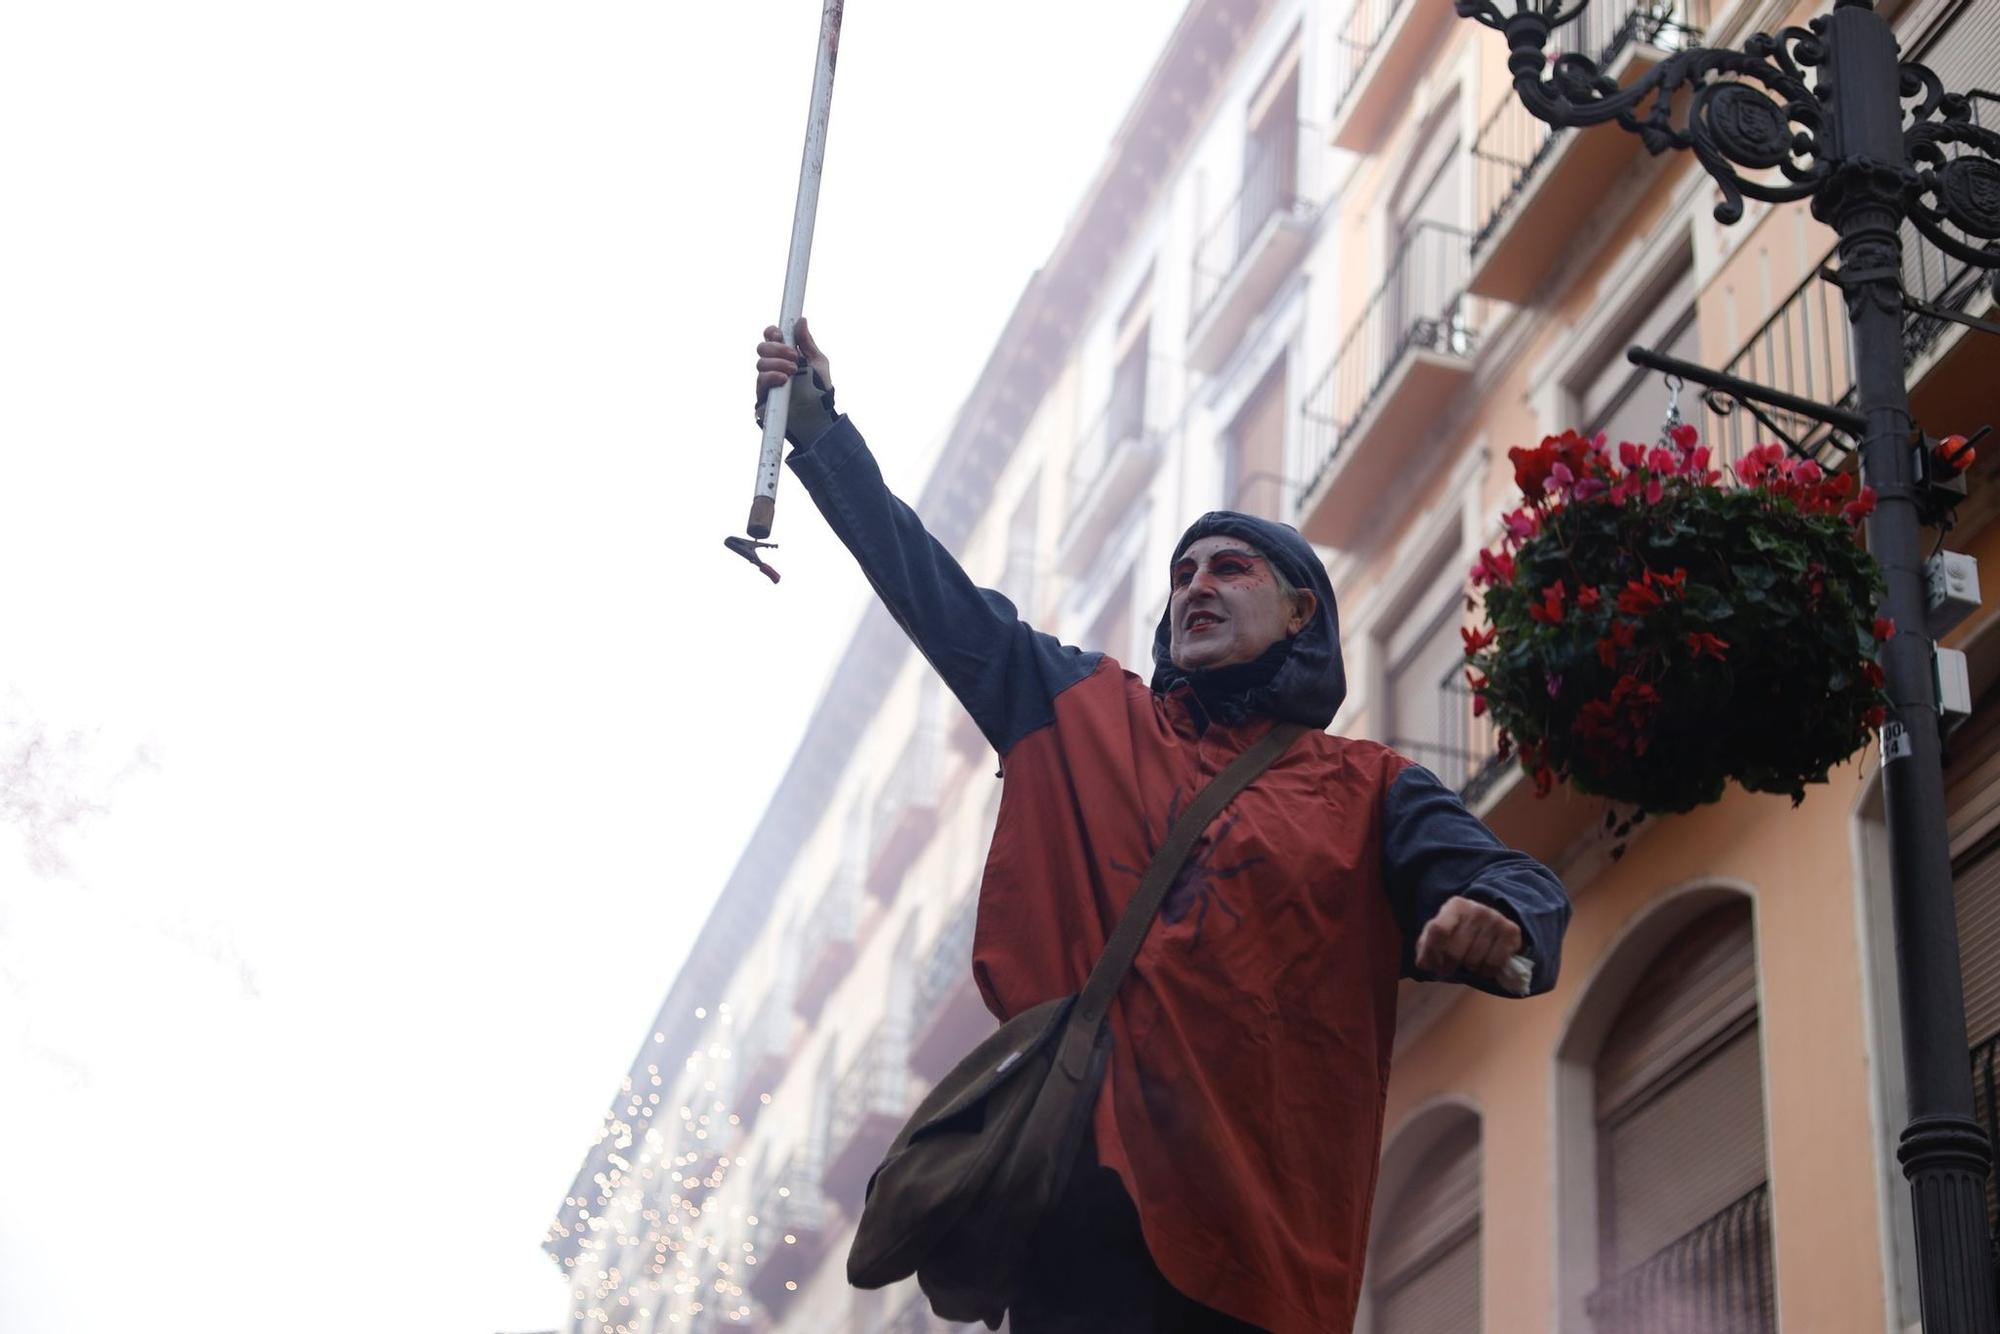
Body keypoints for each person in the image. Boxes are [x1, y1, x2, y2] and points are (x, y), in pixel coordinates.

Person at [752, 321, 1570, 1334]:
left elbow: (1518, 881)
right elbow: (936, 594)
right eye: (1183, 573)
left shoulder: (1368, 787)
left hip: (1261, 1252)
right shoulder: (1082, 708)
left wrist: (1493, 912)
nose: (1195, 585)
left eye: (1229, 568)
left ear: (1300, 612)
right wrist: (821, 432)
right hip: (1080, 1218)